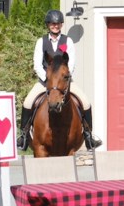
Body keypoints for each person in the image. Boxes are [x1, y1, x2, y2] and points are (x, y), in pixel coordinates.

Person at [17, 9, 102, 151]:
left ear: (61, 25)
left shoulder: (67, 41)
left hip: (64, 82)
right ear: (48, 25)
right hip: (45, 82)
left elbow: (72, 63)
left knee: (86, 102)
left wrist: (63, 79)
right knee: (27, 102)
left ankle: (89, 136)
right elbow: (37, 64)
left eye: (57, 23)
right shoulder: (41, 42)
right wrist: (48, 79)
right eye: (52, 23)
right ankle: (23, 137)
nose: (55, 26)